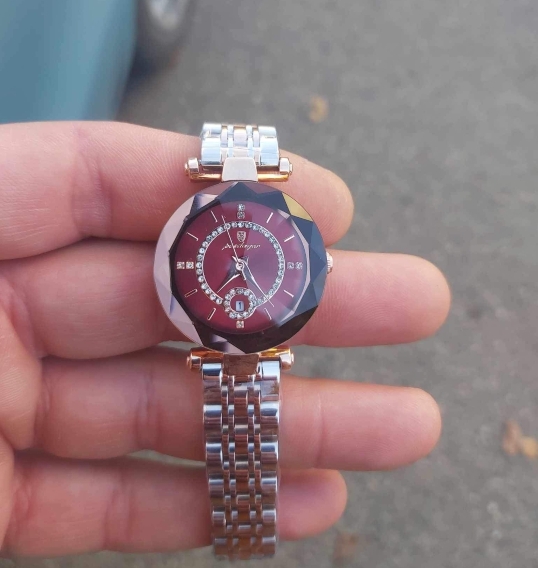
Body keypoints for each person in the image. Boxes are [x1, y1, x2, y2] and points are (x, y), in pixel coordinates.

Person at [0, 122, 450, 556]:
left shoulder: (251, 244)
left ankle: (243, 533)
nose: (239, 265)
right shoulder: (219, 247)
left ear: (318, 263)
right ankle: (242, 535)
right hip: (228, 338)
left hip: (241, 338)